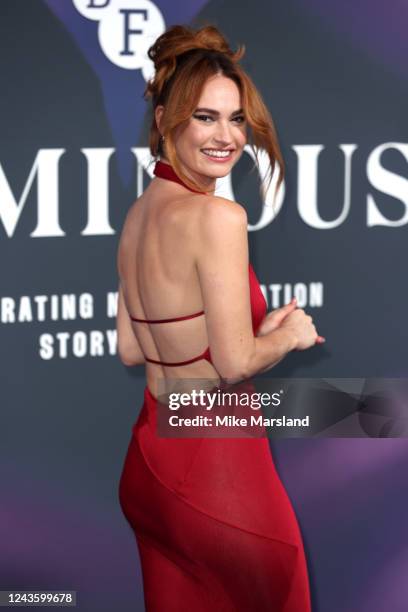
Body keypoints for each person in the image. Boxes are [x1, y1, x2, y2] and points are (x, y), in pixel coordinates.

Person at [117, 24, 324, 612]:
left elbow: (135, 349)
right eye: (205, 117)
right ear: (163, 120)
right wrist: (286, 335)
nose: (226, 136)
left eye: (236, 119)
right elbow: (231, 364)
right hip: (218, 468)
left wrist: (250, 332)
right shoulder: (220, 217)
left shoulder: (137, 216)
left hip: (151, 466)